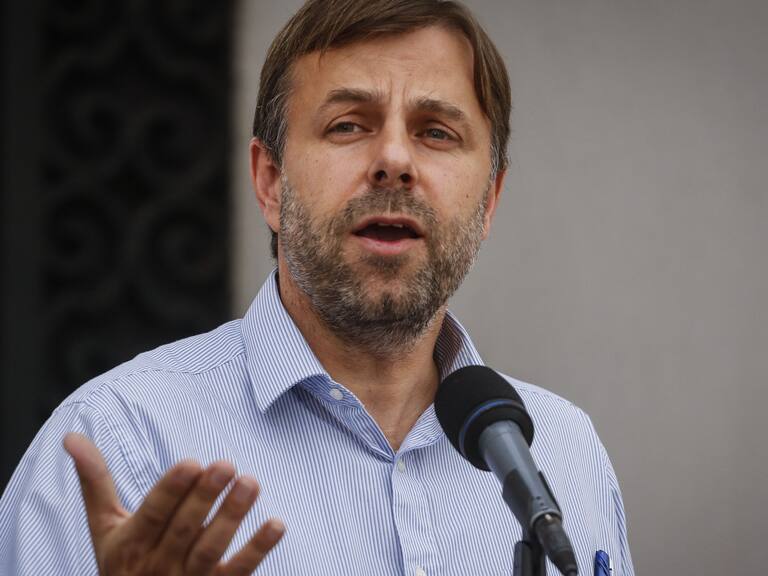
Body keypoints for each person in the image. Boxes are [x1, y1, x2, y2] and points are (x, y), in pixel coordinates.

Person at [0, 0, 635, 574]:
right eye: (348, 125)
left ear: (489, 200)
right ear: (271, 182)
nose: (395, 161)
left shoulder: (564, 453)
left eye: (436, 132)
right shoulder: (122, 439)